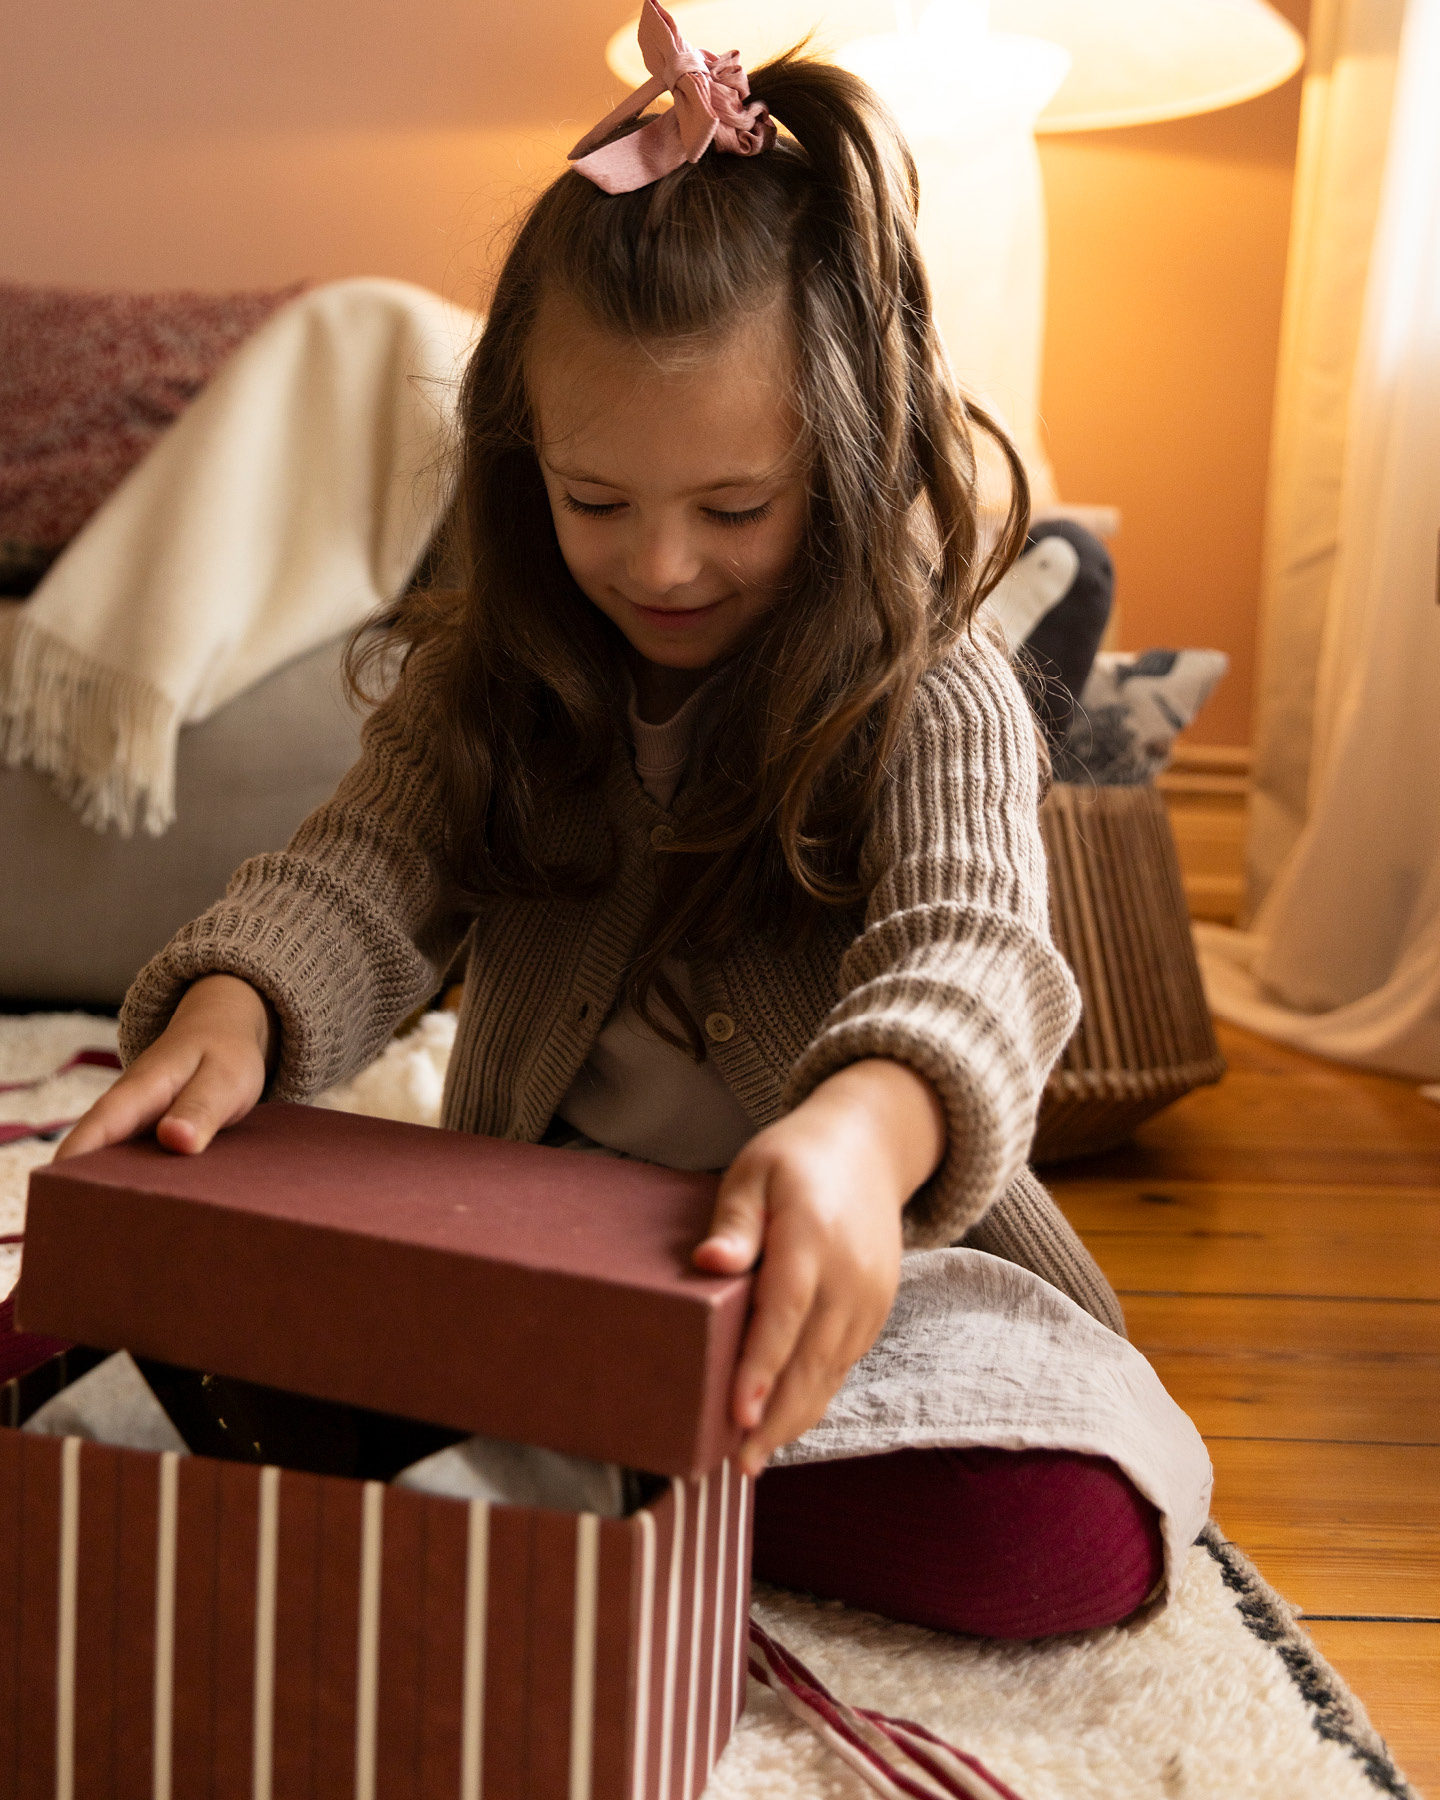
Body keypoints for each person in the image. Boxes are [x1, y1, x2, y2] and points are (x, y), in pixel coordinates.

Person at [59, 3, 1208, 1639]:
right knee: (85, 1319)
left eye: (735, 507)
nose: (661, 566)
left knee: (1065, 1533)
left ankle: (544, 1477)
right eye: (596, 502)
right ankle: (553, 1462)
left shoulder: (930, 693)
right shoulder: (497, 679)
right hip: (542, 1263)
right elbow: (359, 877)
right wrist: (238, 1012)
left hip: (851, 1280)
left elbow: (972, 950)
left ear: (856, 453)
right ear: (522, 463)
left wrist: (864, 1134)